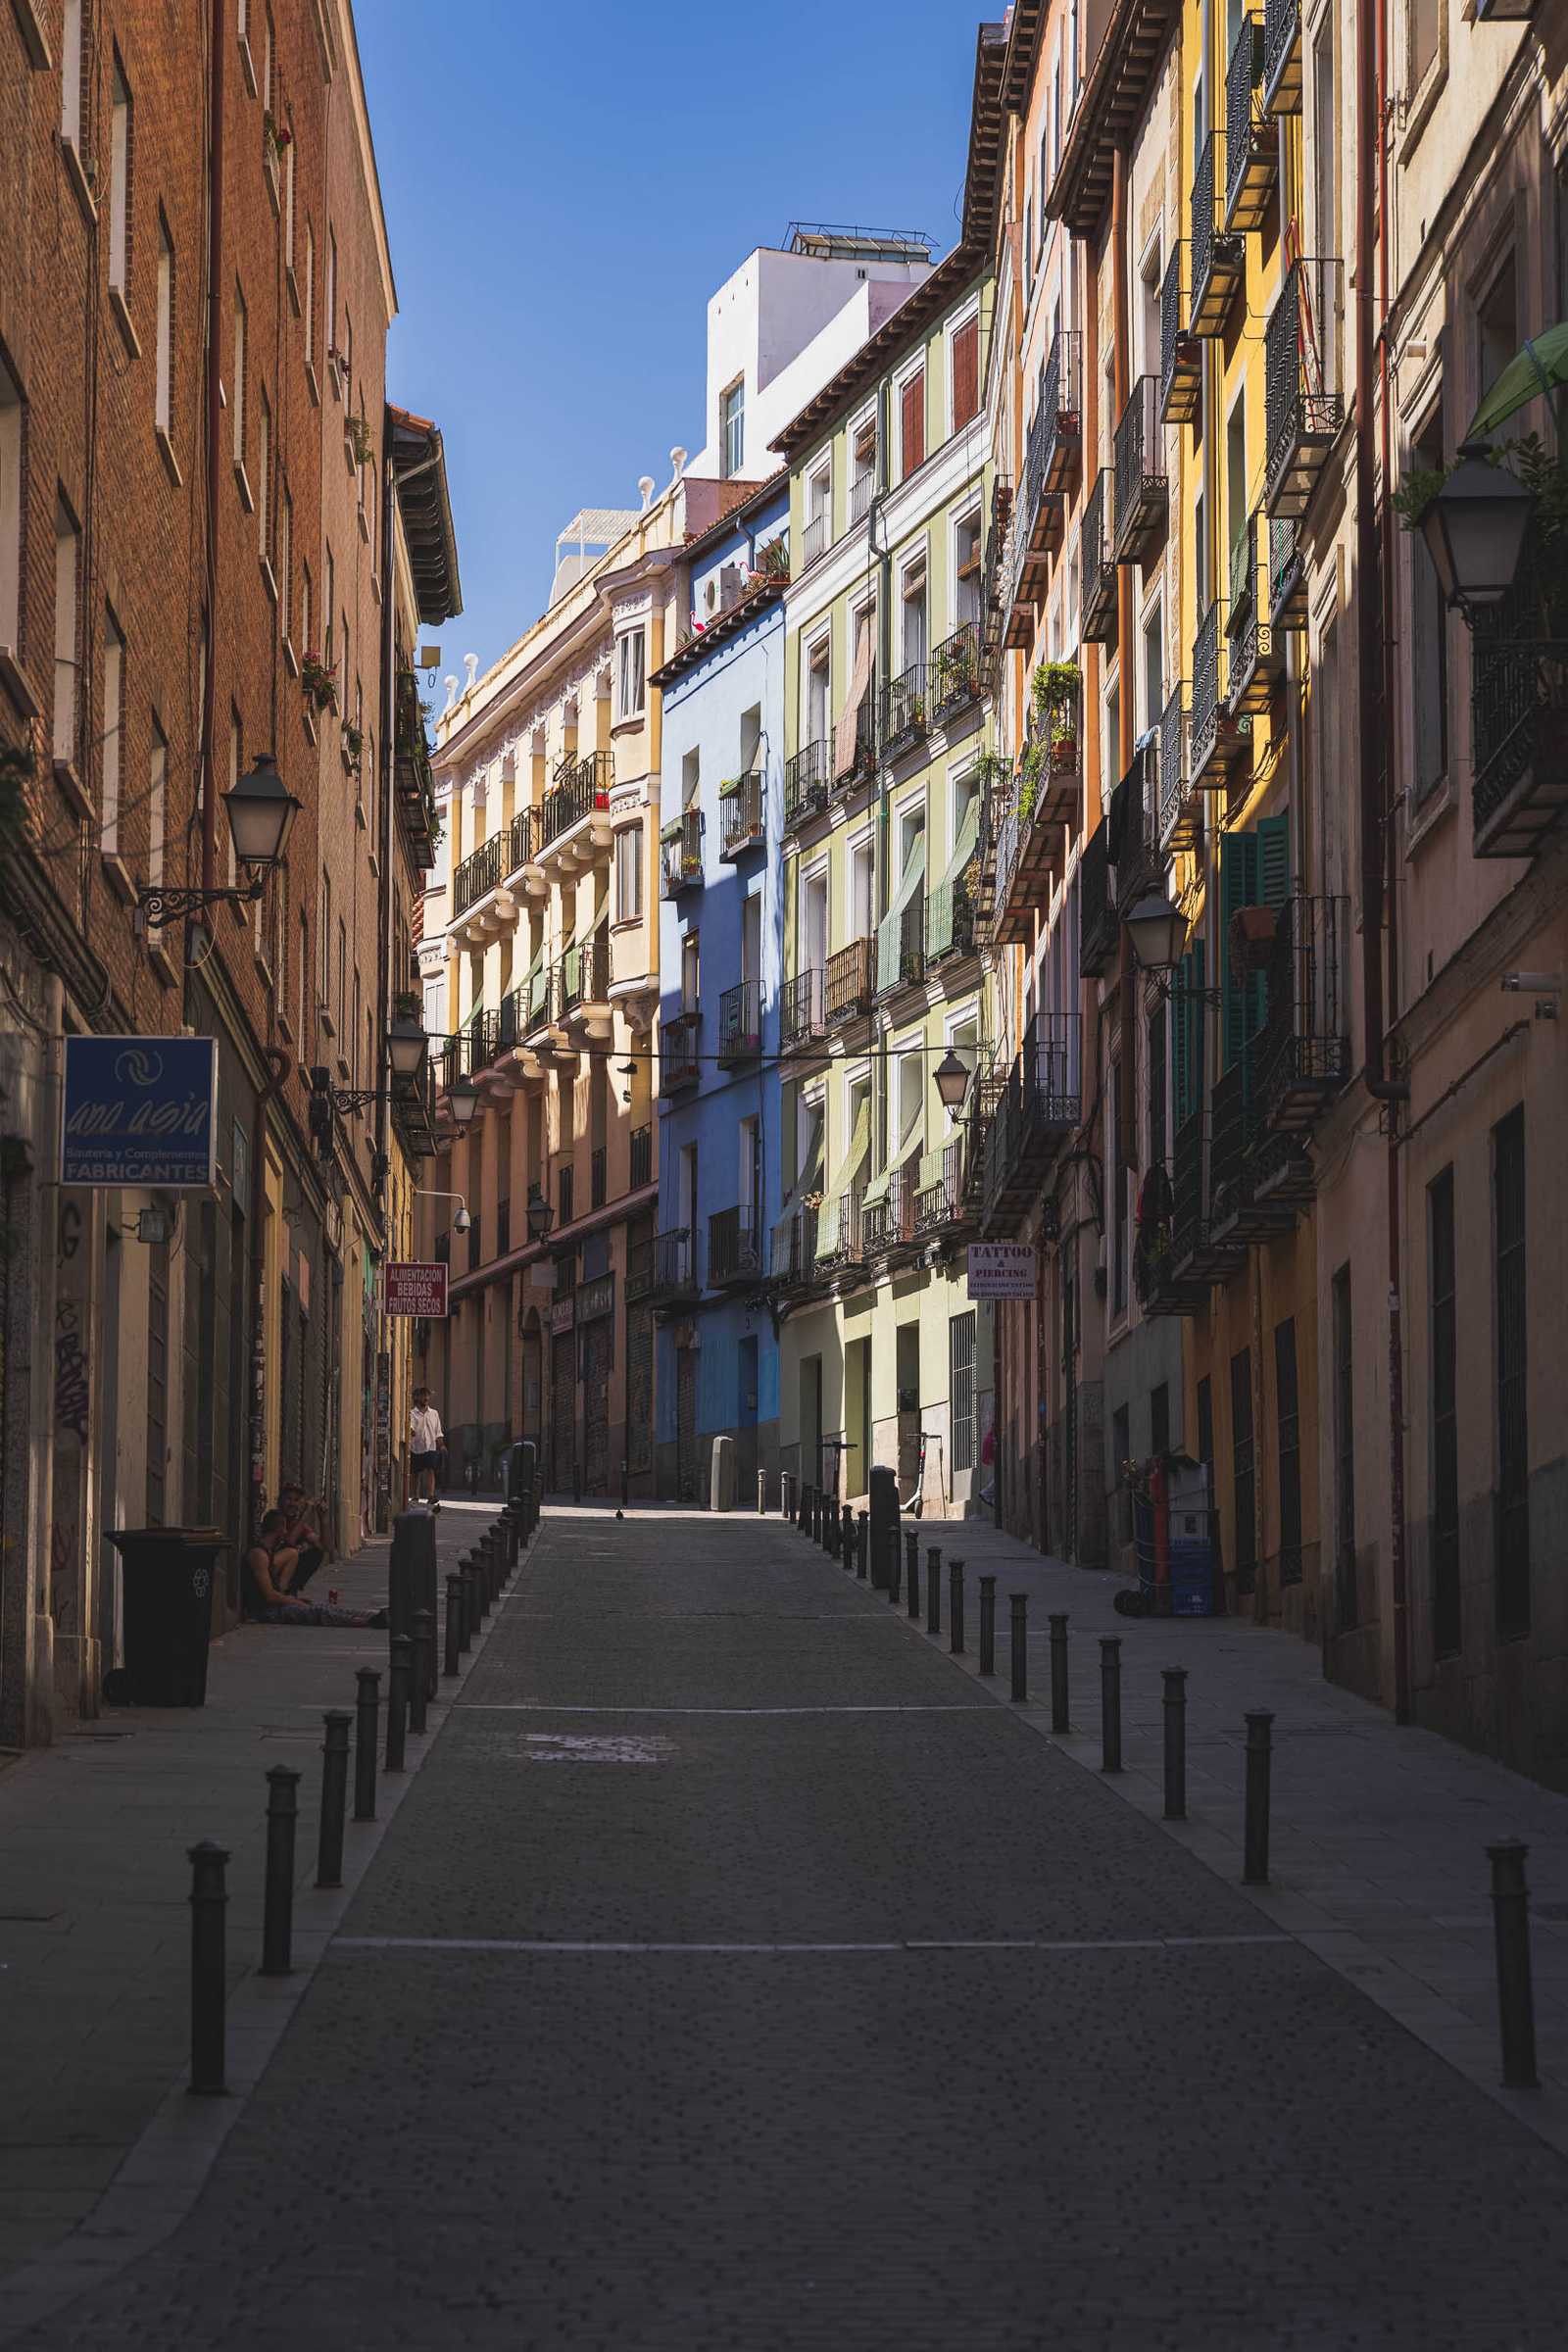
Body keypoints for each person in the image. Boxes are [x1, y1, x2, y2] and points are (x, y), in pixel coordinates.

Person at [242, 1512, 384, 1627]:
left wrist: (292, 1599)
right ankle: (368, 1622)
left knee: (327, 1607)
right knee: (319, 1612)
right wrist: (294, 1602)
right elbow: (269, 1596)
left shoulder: (269, 1552)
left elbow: (323, 1547)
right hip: (266, 1611)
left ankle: (375, 1615)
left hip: (277, 1606)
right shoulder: (258, 1555)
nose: (286, 1532)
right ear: (279, 1530)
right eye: (284, 1528)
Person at [277, 1483, 326, 1592]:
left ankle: (291, 1589)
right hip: (273, 1571)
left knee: (315, 1553)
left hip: (286, 1572)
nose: (292, 1504)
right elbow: (288, 1543)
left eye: (296, 1500)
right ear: (281, 1501)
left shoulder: (298, 1524)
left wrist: (322, 1519)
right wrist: (305, 1515)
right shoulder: (276, 1518)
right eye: (288, 1499)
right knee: (292, 1551)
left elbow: (322, 1546)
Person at [410, 1387, 444, 1510]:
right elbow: (410, 1427)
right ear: (416, 1398)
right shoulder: (412, 1413)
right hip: (416, 1447)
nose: (426, 1398)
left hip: (431, 1447)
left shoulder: (434, 1413)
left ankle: (430, 1495)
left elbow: (438, 1432)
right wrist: (411, 1431)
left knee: (430, 1470)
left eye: (427, 1396)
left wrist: (442, 1445)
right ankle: (415, 1495)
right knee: (415, 1473)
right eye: (423, 1396)